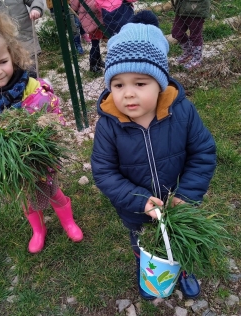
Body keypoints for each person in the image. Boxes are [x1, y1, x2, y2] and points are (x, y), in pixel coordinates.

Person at [91, 11, 216, 300]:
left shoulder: (181, 112)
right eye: (118, 84)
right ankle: (148, 268)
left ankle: (182, 269)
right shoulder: (110, 123)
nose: (128, 94)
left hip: (179, 203)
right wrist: (138, 199)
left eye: (140, 83)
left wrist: (187, 194)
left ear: (160, 82)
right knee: (143, 242)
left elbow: (203, 152)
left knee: (180, 239)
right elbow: (104, 171)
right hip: (135, 209)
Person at [0, 2, 83, 254]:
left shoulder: (29, 84)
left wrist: (39, 118)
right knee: (25, 198)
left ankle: (67, 220)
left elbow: (52, 109)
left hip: (38, 158)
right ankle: (38, 229)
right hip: (9, 162)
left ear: (12, 55)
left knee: (52, 190)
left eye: (3, 61)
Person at [0, 0, 45, 78]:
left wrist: (36, 8)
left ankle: (33, 86)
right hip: (4, 46)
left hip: (25, 41)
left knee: (30, 71)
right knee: (11, 73)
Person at [171, 0, 210, 70]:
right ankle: (189, 51)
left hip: (197, 8)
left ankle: (197, 59)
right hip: (182, 8)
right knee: (176, 32)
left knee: (195, 36)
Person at [71, 0, 105, 73]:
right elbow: (74, 6)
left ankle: (98, 61)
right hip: (91, 19)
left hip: (95, 18)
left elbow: (74, 6)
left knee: (96, 41)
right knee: (95, 43)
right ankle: (93, 65)